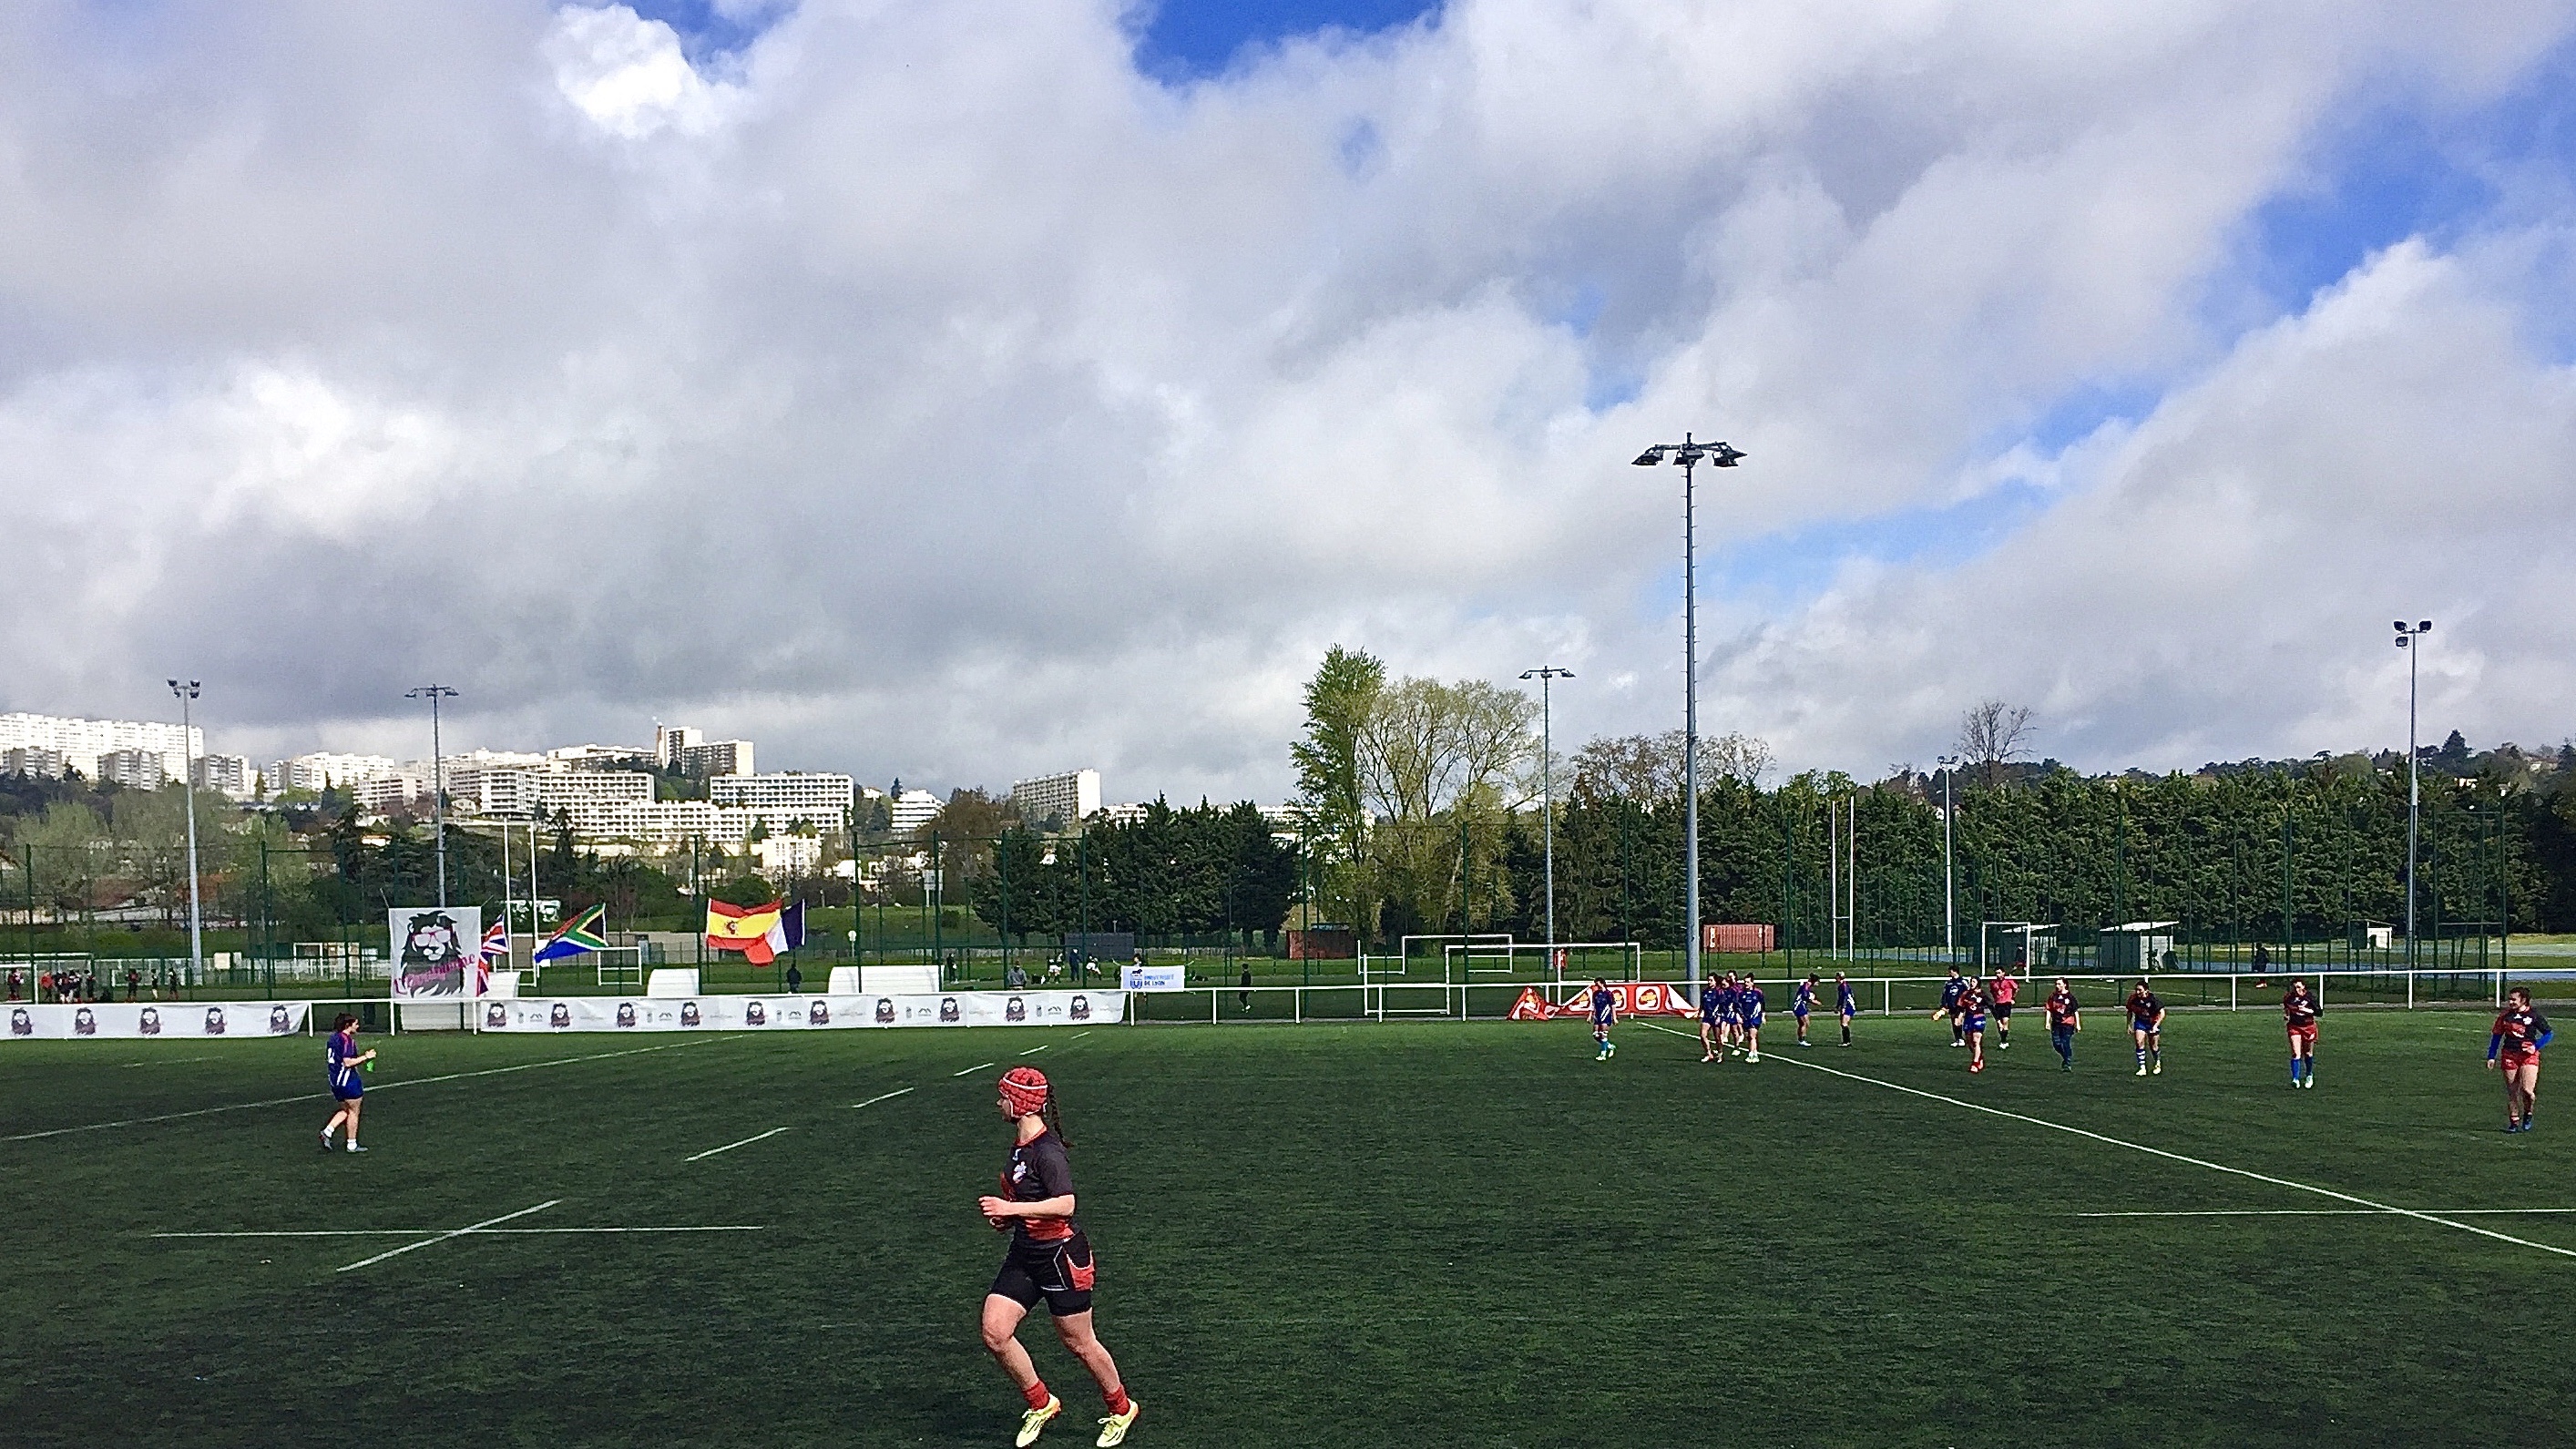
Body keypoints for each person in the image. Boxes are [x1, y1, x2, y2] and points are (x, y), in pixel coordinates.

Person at [976, 1067, 1140, 1447]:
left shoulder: (1047, 1152)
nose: (997, 1103)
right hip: (1025, 1253)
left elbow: (1066, 1204)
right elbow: (1029, 1202)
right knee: (995, 1332)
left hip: (1060, 1258)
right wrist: (1008, 1217)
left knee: (1079, 1342)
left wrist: (1011, 1209)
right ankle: (1041, 1402)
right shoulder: (1021, 1146)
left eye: (1002, 1097)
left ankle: (1121, 1407)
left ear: (1018, 1103)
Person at [2487, 986, 2552, 1133]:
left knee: (2527, 1091)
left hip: (2528, 1056)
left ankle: (2528, 1112)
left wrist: (2535, 1047)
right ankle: (2514, 1122)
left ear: (2523, 1000)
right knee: (2512, 1091)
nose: (2510, 1002)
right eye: (2509, 999)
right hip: (2509, 1055)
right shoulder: (2505, 1017)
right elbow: (2496, 1036)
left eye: (2513, 999)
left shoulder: (2534, 1016)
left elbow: (2548, 1034)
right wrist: (2491, 1056)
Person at [319, 1013, 376, 1154]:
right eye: (355, 1024)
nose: (358, 1026)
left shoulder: (333, 1039)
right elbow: (348, 1062)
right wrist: (366, 1057)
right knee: (354, 1111)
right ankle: (352, 1144)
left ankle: (328, 1131)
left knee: (346, 1110)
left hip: (334, 1080)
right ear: (347, 1025)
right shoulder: (347, 1041)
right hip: (347, 1081)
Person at [2282, 979, 2319, 1089]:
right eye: (2295, 987)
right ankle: (2295, 1079)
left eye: (2298, 987)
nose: (2296, 989)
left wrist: (2306, 1010)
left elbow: (2319, 1012)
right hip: (2294, 1027)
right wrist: (2287, 1016)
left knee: (2308, 1053)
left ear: (2304, 987)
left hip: (2308, 1027)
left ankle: (2309, 1075)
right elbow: (2287, 1009)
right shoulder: (2289, 998)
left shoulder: (2309, 997)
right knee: (2296, 1053)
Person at [2125, 978, 2164, 1077]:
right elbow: (2129, 1011)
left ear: (2146, 990)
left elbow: (2162, 1013)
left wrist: (2155, 1026)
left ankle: (2157, 1063)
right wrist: (2129, 1025)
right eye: (2136, 990)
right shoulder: (2133, 999)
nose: (2137, 992)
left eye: (2140, 990)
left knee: (2153, 1046)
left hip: (2152, 1023)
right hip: (2140, 1022)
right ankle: (2142, 1067)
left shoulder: (2153, 1000)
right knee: (2139, 1043)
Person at [2044, 978, 2080, 1070]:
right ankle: (2066, 1057)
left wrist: (2078, 1024)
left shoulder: (2070, 997)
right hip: (2056, 1023)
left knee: (2065, 1042)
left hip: (2068, 1023)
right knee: (2056, 1044)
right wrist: (2047, 1022)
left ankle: (2067, 1063)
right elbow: (2049, 1009)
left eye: (2059, 984)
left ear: (2065, 985)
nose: (2057, 986)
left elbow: (2075, 1011)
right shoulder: (2053, 996)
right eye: (2056, 984)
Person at [1958, 980, 1988, 1073]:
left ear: (1978, 983)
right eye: (1971, 981)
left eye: (1974, 982)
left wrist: (1998, 1021)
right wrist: (1959, 1016)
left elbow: (1991, 1006)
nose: (1972, 983)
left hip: (1979, 1018)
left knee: (1976, 1040)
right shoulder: (1966, 994)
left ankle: (1975, 1064)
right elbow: (1961, 1006)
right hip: (1968, 1019)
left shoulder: (1983, 995)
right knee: (1970, 1042)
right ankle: (1979, 1056)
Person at [1936, 967, 1968, 1046]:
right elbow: (1945, 995)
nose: (1949, 973)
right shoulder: (1948, 983)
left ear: (1955, 972)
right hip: (1951, 1005)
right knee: (1954, 1022)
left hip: (1960, 1006)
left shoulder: (1963, 982)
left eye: (1951, 972)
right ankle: (1957, 1039)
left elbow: (1968, 993)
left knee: (1958, 1021)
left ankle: (1960, 1039)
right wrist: (1944, 1005)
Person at [1988, 967, 2019, 1050]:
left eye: (1999, 973)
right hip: (1998, 1004)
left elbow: (2016, 989)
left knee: (2005, 1021)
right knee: (1999, 1024)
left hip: (2006, 1003)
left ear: (2003, 973)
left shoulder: (2009, 981)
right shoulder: (1993, 983)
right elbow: (1992, 991)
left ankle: (2003, 1041)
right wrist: (1996, 997)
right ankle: (2003, 1039)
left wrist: (2012, 998)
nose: (1997, 975)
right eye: (1996, 973)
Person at [1589, 978, 1618, 1061]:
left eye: (1597, 983)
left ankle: (1603, 1054)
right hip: (1597, 1015)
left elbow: (1612, 1006)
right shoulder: (1596, 993)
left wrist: (1614, 1018)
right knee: (1596, 1035)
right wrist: (1590, 1015)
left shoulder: (1608, 993)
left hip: (1605, 1015)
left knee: (1603, 1034)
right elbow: (1593, 1005)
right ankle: (1610, 1046)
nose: (1596, 985)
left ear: (1602, 983)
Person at [1739, 977, 1765, 1063]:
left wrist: (1763, 1016)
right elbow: (1738, 1005)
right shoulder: (1741, 993)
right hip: (1746, 1018)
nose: (1746, 984)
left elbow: (1762, 1004)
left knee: (1752, 1035)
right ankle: (1755, 1053)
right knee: (1749, 1037)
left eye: (1748, 982)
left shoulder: (1757, 992)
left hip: (1755, 1018)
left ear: (1752, 983)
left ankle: (1751, 1054)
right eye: (1745, 982)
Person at [1698, 976, 1724, 1063]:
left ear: (1715, 981)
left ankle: (1720, 1053)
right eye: (1708, 980)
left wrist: (1719, 1016)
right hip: (1707, 1017)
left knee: (1717, 1037)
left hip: (1716, 1017)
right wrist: (1700, 1013)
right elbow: (1703, 1004)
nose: (1709, 982)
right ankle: (1709, 1054)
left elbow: (1722, 1005)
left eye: (1711, 980)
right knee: (1703, 1035)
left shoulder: (1719, 992)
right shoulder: (1705, 992)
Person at [1792, 974, 1819, 1048]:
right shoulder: (1805, 987)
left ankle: (1801, 1039)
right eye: (1817, 981)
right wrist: (1814, 1001)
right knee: (1804, 1023)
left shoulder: (1806, 987)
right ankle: (1802, 1040)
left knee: (1805, 1023)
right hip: (1799, 1007)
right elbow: (1805, 997)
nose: (1818, 983)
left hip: (1802, 1007)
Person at [1836, 972, 1857, 1047]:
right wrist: (1838, 1006)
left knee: (1844, 1023)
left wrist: (1844, 1007)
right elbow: (1841, 998)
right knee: (1843, 1024)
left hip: (1848, 1006)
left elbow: (1845, 997)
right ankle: (1846, 1041)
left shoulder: (1844, 986)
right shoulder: (1842, 986)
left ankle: (1847, 1042)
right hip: (1846, 1006)